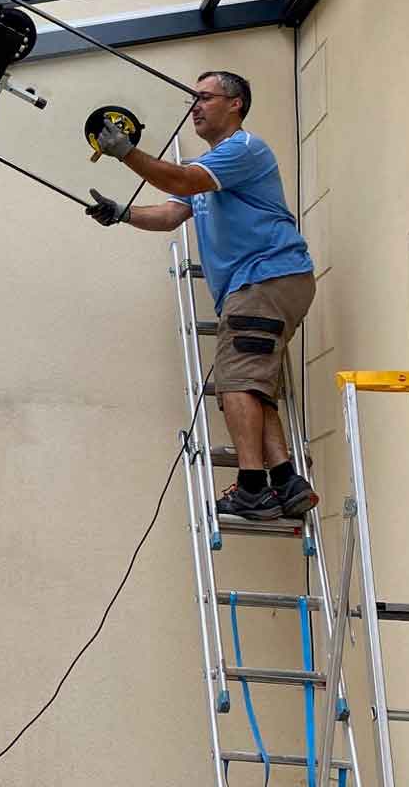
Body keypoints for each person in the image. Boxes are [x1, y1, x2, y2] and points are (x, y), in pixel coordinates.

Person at [83, 70, 320, 521]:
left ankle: (252, 488)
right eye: (192, 98)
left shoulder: (242, 149)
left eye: (204, 97)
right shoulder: (212, 168)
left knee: (236, 383)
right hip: (269, 281)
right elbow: (171, 214)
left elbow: (182, 182)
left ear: (235, 104)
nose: (194, 106)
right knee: (253, 386)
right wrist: (122, 213)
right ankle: (286, 481)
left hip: (263, 278)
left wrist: (127, 153)